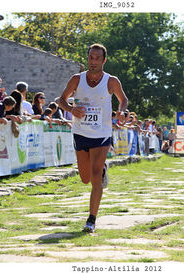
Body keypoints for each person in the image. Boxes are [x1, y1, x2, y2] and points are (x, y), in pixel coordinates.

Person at [56, 43, 128, 233]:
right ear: (87, 58)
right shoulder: (76, 79)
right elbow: (60, 100)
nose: (93, 61)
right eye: (91, 57)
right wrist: (71, 109)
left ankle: (91, 220)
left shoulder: (111, 81)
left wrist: (121, 112)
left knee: (95, 178)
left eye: (97, 58)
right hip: (80, 133)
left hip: (102, 134)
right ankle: (103, 169)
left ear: (104, 60)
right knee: (85, 178)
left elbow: (124, 100)